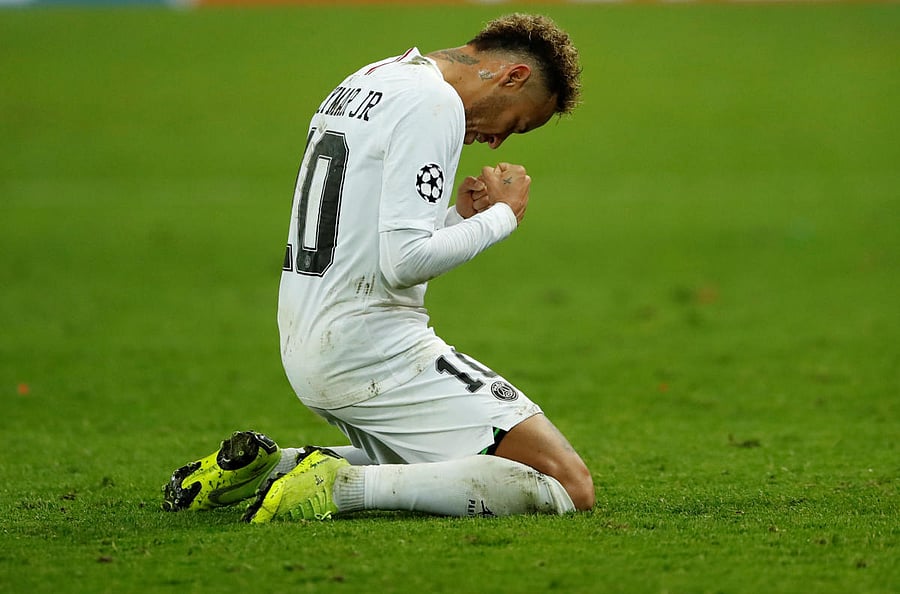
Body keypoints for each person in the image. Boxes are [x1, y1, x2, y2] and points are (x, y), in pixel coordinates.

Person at [163, 13, 594, 521]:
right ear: (513, 77)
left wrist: (461, 217)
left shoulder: (373, 79)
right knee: (567, 484)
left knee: (450, 463)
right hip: (374, 350)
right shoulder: (435, 106)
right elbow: (404, 262)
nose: (500, 141)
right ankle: (340, 488)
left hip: (311, 333)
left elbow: (369, 238)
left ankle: (268, 469)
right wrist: (504, 215)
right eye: (518, 123)